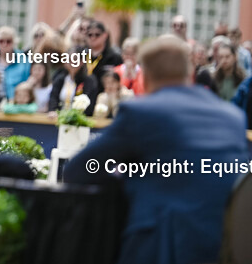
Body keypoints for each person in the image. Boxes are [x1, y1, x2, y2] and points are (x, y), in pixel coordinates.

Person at [65, 35, 250, 264]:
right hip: (224, 245)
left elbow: (79, 170)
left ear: (147, 76)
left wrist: (130, 175)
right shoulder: (232, 117)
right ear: (189, 73)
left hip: (161, 246)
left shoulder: (142, 111)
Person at [81, 20, 122, 114]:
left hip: (103, 104)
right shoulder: (81, 55)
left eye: (97, 34)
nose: (93, 38)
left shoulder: (114, 57)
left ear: (105, 35)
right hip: (83, 100)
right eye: (90, 35)